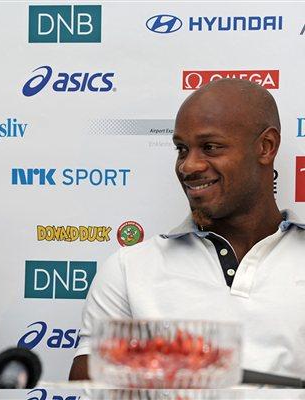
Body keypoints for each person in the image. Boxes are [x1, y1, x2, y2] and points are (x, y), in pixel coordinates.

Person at [69, 78, 305, 380]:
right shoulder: (129, 269)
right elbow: (91, 389)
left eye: (210, 147)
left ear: (266, 146)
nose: (188, 166)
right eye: (182, 149)